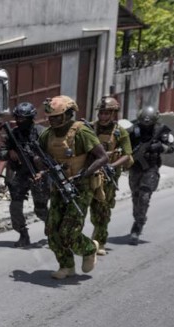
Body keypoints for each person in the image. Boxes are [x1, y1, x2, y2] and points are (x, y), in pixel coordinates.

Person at [36, 95, 108, 279]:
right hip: (59, 186)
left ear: (68, 115)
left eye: (57, 117)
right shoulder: (48, 134)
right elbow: (38, 156)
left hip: (81, 188)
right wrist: (42, 166)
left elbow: (102, 157)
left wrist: (83, 174)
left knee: (68, 231)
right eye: (50, 117)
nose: (52, 121)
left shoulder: (82, 132)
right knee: (52, 231)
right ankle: (66, 265)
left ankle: (89, 248)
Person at [0, 102, 49, 247]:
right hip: (21, 173)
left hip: (39, 174)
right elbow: (1, 153)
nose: (20, 121)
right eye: (18, 118)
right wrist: (10, 152)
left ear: (31, 118)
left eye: (23, 119)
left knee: (40, 209)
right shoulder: (13, 134)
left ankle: (52, 229)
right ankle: (23, 235)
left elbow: (52, 154)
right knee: (15, 206)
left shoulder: (42, 133)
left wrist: (39, 160)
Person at [88, 97, 133, 255]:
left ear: (113, 114)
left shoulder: (120, 132)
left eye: (107, 113)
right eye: (101, 113)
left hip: (108, 176)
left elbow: (127, 155)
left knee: (103, 209)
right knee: (91, 208)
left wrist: (112, 166)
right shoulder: (90, 128)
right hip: (90, 172)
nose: (103, 116)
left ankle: (100, 241)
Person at [126, 106, 174, 245]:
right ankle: (138, 217)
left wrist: (160, 147)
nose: (146, 125)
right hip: (135, 167)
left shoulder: (161, 130)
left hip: (151, 168)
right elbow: (123, 144)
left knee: (145, 196)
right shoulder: (133, 129)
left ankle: (138, 224)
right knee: (136, 196)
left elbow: (171, 148)